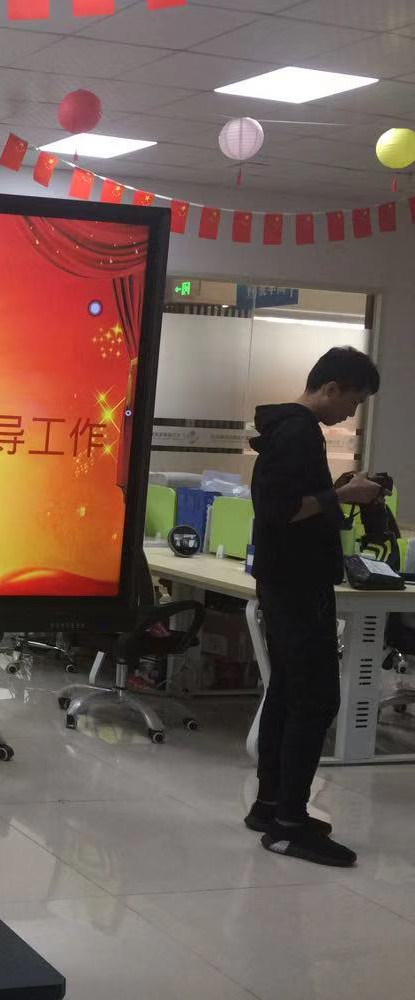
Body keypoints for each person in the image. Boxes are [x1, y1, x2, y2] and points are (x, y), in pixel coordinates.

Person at [247, 346, 384, 867]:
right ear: (331, 388)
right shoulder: (299, 432)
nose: (351, 413)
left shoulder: (287, 429)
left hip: (285, 581)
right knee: (315, 699)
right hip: (298, 585)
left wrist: (334, 491)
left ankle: (270, 807)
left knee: (287, 691)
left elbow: (293, 501)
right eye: (353, 401)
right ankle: (288, 825)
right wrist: (343, 497)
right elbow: (280, 509)